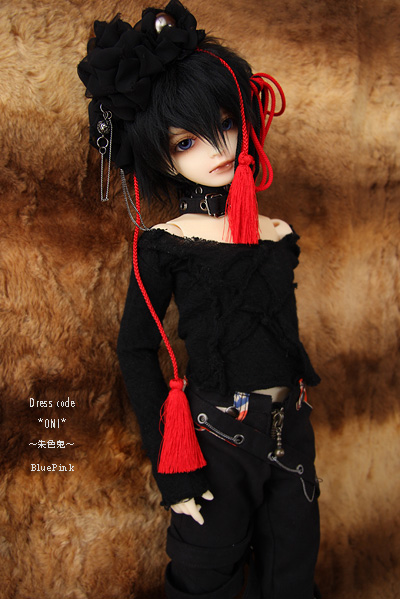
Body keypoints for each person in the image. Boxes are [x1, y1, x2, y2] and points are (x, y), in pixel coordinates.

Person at [78, 2, 321, 597]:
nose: (216, 147)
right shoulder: (166, 242)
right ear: (158, 154)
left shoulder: (278, 233)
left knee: (292, 573)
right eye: (186, 141)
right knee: (206, 573)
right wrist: (174, 469)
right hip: (215, 436)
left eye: (226, 123)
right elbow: (136, 350)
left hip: (292, 428)